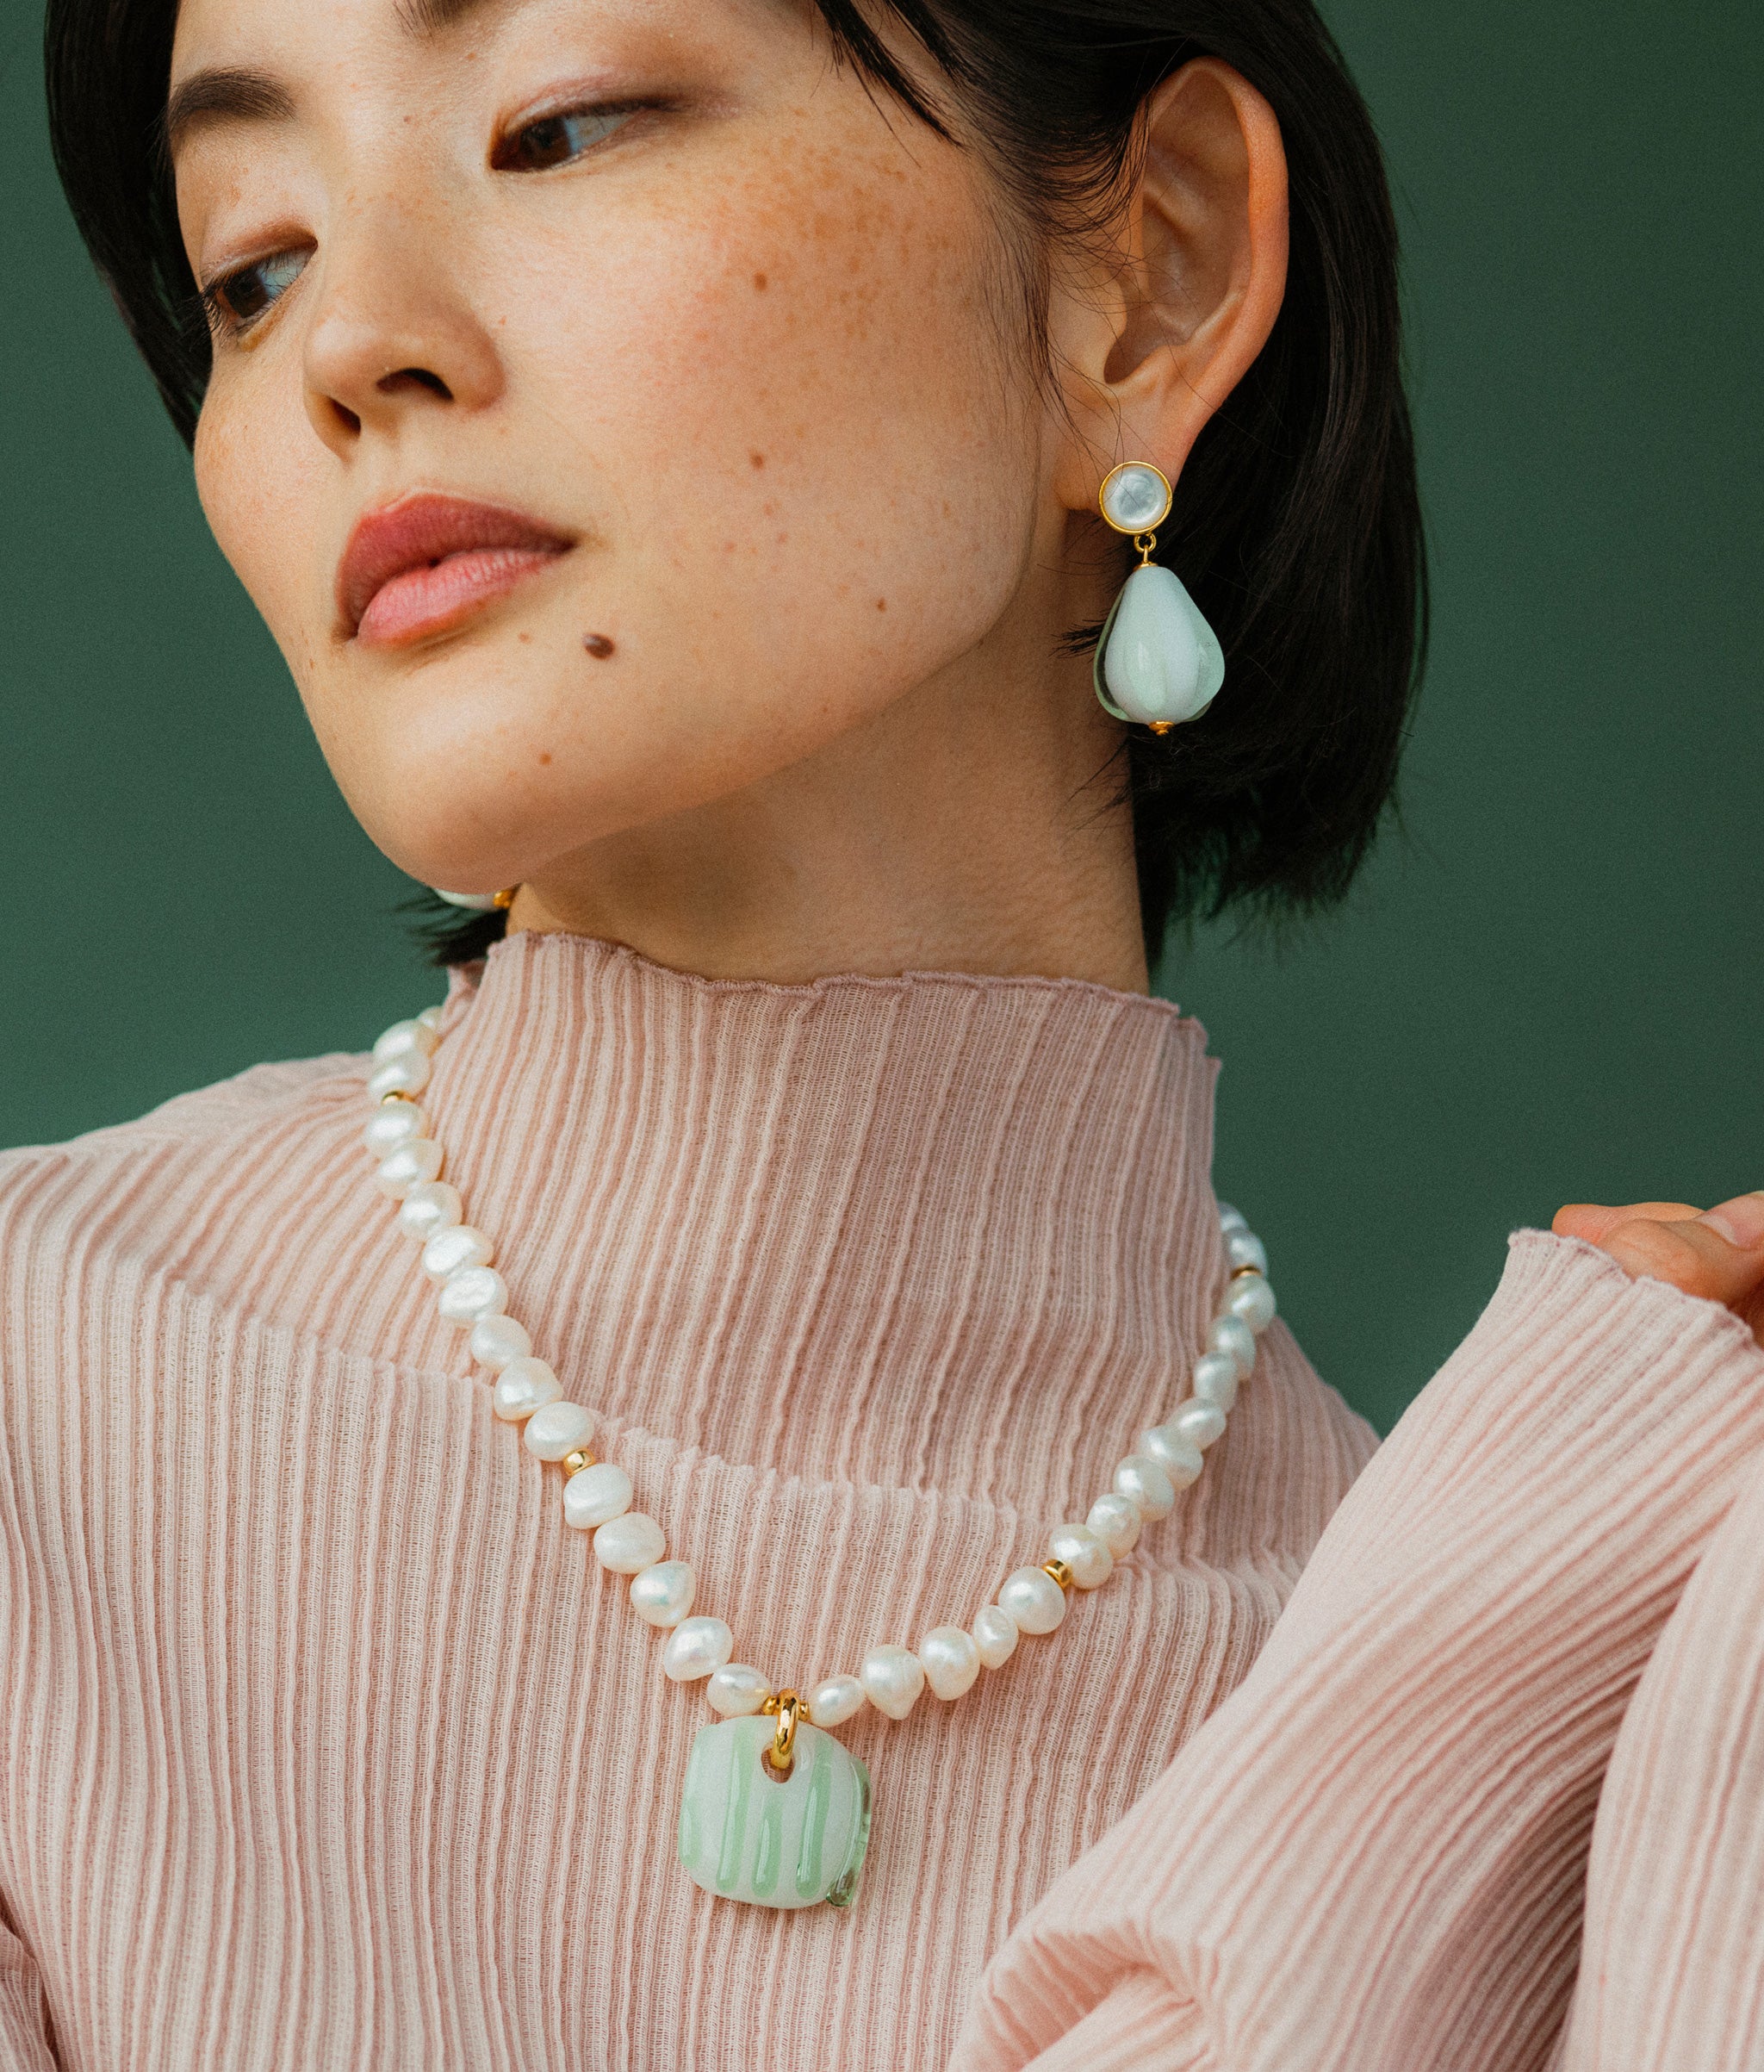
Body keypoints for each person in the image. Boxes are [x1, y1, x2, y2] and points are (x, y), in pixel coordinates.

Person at [7, 0, 1759, 2063]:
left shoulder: (1633, 1668)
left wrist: (1510, 1651)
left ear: (1154, 267)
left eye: (562, 125)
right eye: (252, 264)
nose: (345, 343)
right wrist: (1418, 1754)